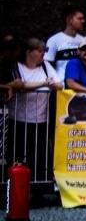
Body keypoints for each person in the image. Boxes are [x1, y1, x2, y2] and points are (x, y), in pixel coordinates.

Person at [4, 38, 63, 181]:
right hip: (18, 118)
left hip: (40, 119)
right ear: (29, 53)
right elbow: (21, 85)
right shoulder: (16, 66)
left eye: (44, 51)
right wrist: (44, 83)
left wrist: (53, 84)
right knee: (16, 154)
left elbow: (59, 85)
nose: (43, 54)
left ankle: (40, 187)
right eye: (39, 51)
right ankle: (16, 187)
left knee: (39, 156)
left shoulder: (45, 66)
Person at [45, 4, 85, 81]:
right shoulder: (54, 40)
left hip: (81, 83)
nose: (83, 21)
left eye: (83, 19)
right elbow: (47, 64)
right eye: (79, 19)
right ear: (69, 20)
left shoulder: (83, 40)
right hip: (62, 85)